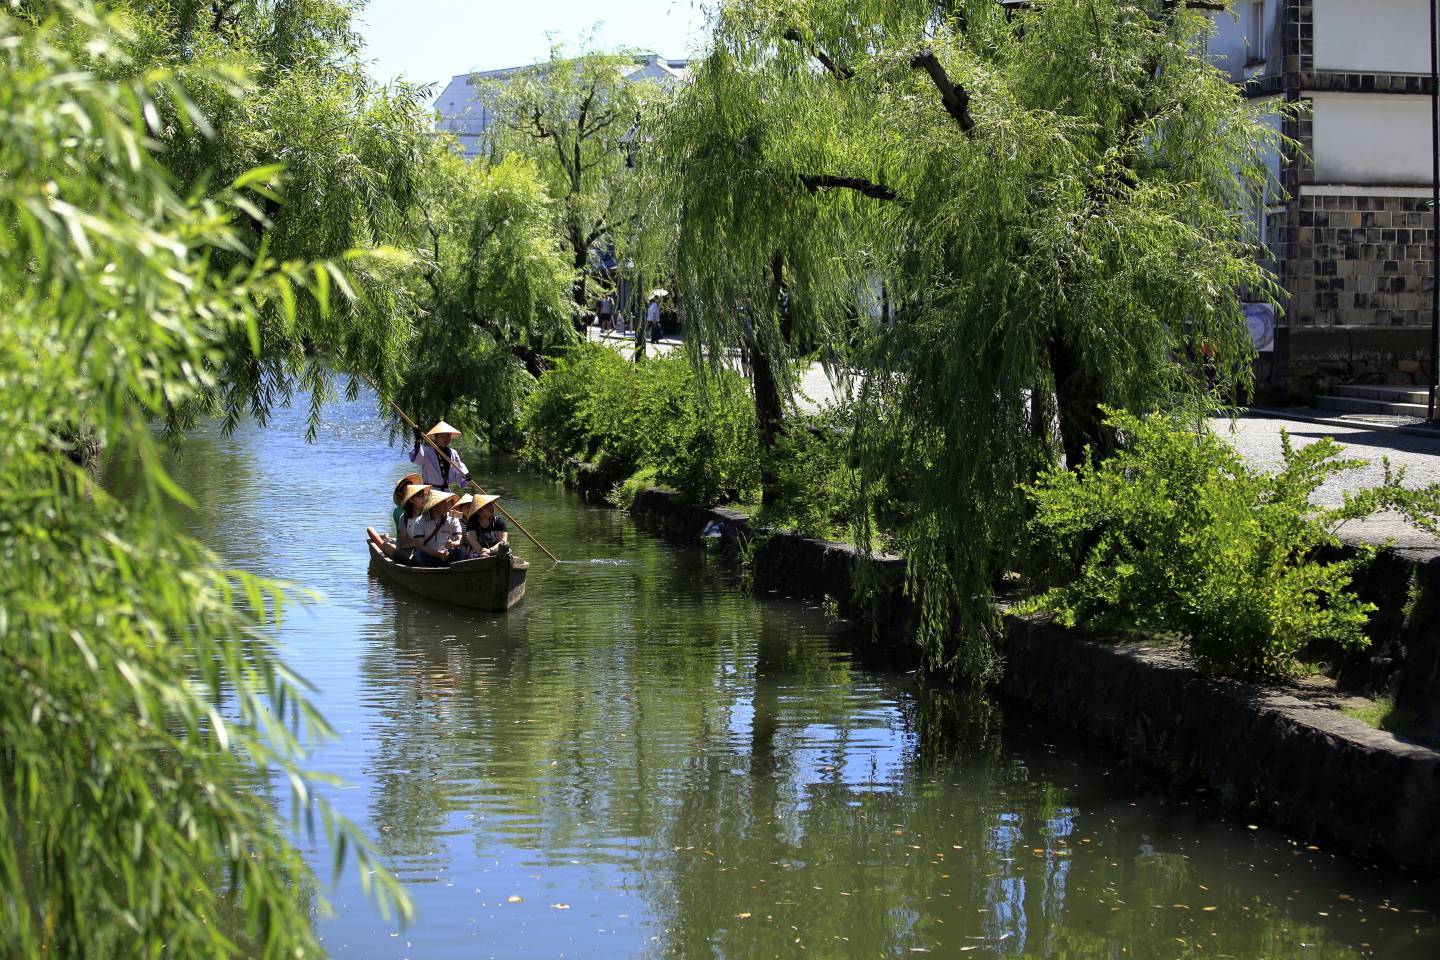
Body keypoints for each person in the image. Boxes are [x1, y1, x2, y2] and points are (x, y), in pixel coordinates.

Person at [366, 473, 421, 558]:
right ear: (400, 494)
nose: (411, 493)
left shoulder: (421, 507)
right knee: (387, 546)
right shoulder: (399, 512)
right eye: (407, 490)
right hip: (403, 544)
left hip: (420, 543)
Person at [408, 420, 469, 492]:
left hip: (446, 492)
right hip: (431, 491)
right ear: (436, 437)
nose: (445, 439)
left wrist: (465, 474)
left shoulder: (453, 453)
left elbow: (458, 468)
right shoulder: (427, 451)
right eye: (441, 436)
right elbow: (418, 459)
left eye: (447, 436)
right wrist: (418, 440)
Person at [410, 490, 465, 567]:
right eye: (443, 501)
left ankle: (456, 573)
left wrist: (453, 544)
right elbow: (419, 546)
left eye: (447, 501)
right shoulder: (420, 521)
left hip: (447, 554)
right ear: (434, 505)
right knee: (418, 554)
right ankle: (429, 575)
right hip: (429, 555)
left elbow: (460, 540)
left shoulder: (453, 519)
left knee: (461, 550)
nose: (447, 504)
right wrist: (438, 554)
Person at [464, 494, 509, 559]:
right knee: (476, 556)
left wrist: (490, 550)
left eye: (490, 504)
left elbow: (503, 542)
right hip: (478, 551)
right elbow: (472, 540)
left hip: (495, 550)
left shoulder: (499, 521)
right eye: (486, 506)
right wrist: (482, 552)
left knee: (506, 552)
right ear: (479, 512)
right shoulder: (472, 522)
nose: (490, 507)